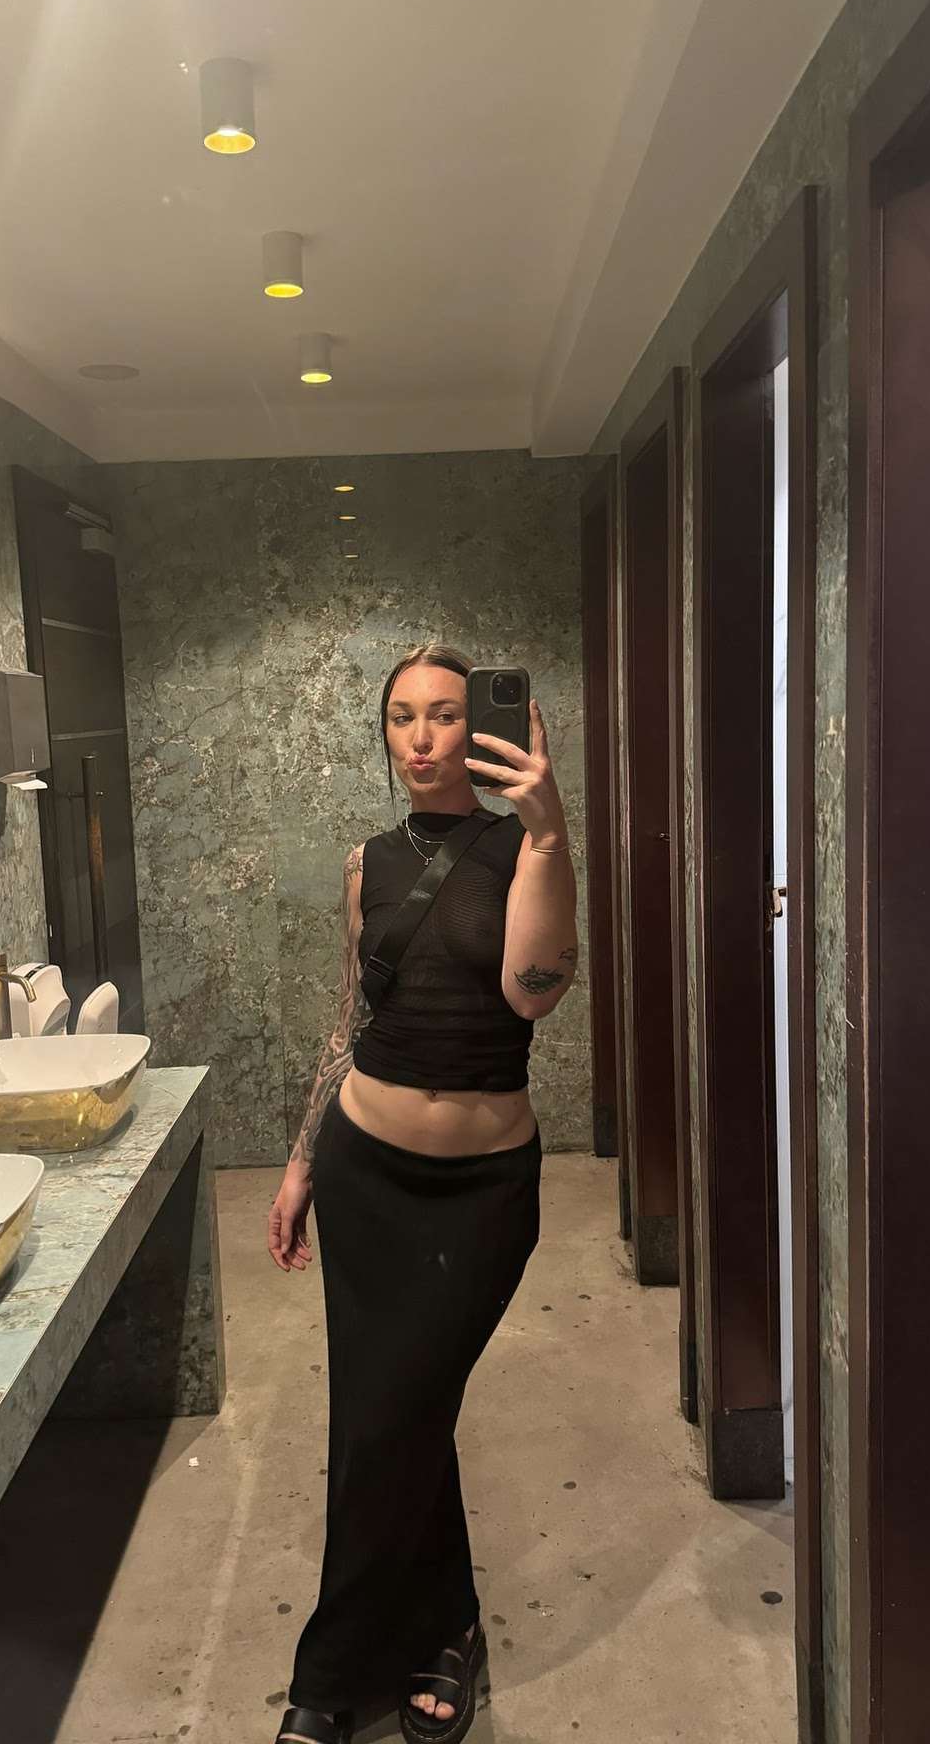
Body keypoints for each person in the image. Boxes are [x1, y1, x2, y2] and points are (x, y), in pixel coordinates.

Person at [267, 643, 578, 1744]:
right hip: (366, 1171)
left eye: (445, 713)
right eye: (402, 716)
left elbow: (533, 991)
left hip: (481, 1192)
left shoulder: (524, 845)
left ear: (485, 727)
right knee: (387, 1413)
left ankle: (330, 1669)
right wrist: (303, 1158)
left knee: (398, 1411)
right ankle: (446, 1629)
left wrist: (549, 831)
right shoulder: (368, 862)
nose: (423, 736)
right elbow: (350, 1017)